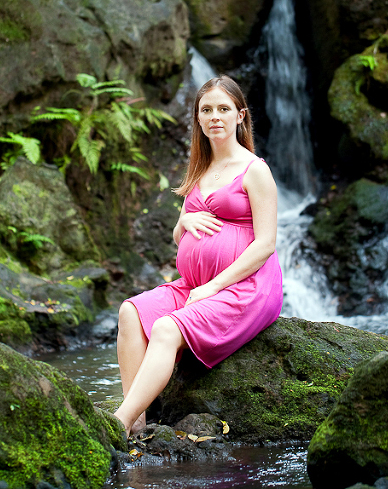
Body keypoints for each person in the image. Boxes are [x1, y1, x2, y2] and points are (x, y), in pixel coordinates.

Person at [113, 75, 284, 436]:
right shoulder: (199, 170)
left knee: (164, 328)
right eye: (206, 110)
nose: (214, 117)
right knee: (130, 312)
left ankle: (118, 422)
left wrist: (215, 286)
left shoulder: (256, 170)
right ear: (198, 119)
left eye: (223, 109)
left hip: (245, 287)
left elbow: (266, 243)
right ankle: (138, 425)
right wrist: (186, 218)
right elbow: (179, 235)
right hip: (195, 283)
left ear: (241, 116)